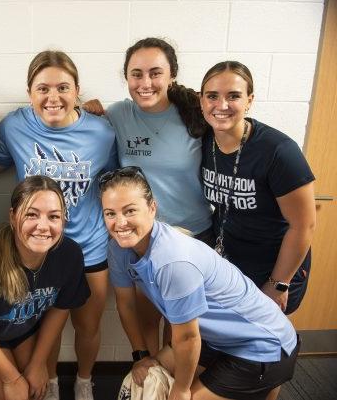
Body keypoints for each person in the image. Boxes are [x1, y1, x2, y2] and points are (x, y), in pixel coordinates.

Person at [0, 50, 116, 400]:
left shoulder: (101, 132)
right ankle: (49, 383)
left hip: (89, 246)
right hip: (37, 247)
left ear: (77, 90)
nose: (53, 97)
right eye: (43, 89)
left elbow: (112, 183)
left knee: (87, 325)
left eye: (63, 87)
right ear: (29, 92)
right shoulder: (15, 126)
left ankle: (84, 381)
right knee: (42, 328)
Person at [101, 166, 300, 400]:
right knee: (146, 378)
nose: (120, 223)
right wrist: (142, 356)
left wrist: (182, 389)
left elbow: (187, 337)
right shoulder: (118, 249)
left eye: (130, 211)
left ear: (152, 208)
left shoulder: (172, 261)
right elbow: (126, 304)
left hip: (264, 346)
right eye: (110, 213)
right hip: (216, 340)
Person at [85, 38, 213, 357]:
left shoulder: (197, 113)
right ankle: (149, 378)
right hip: (142, 239)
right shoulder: (117, 115)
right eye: (136, 74)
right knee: (147, 323)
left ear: (172, 75)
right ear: (126, 77)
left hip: (191, 237)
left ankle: (171, 386)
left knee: (180, 330)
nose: (145, 83)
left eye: (155, 73)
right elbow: (79, 129)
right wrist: (87, 109)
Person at [0, 176, 90, 400]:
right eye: (31, 214)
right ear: (12, 217)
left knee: (37, 392)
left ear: (63, 221)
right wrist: (12, 379)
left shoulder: (69, 254)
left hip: (19, 331)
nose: (43, 226)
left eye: (54, 216)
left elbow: (60, 308)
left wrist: (38, 364)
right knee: (15, 395)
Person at [200, 61, 316, 314]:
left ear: (249, 100)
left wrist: (278, 284)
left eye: (234, 96)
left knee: (263, 345)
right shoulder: (203, 139)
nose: (221, 105)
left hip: (276, 268)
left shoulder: (278, 151)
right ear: (201, 101)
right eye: (212, 96)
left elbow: (303, 225)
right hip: (232, 264)